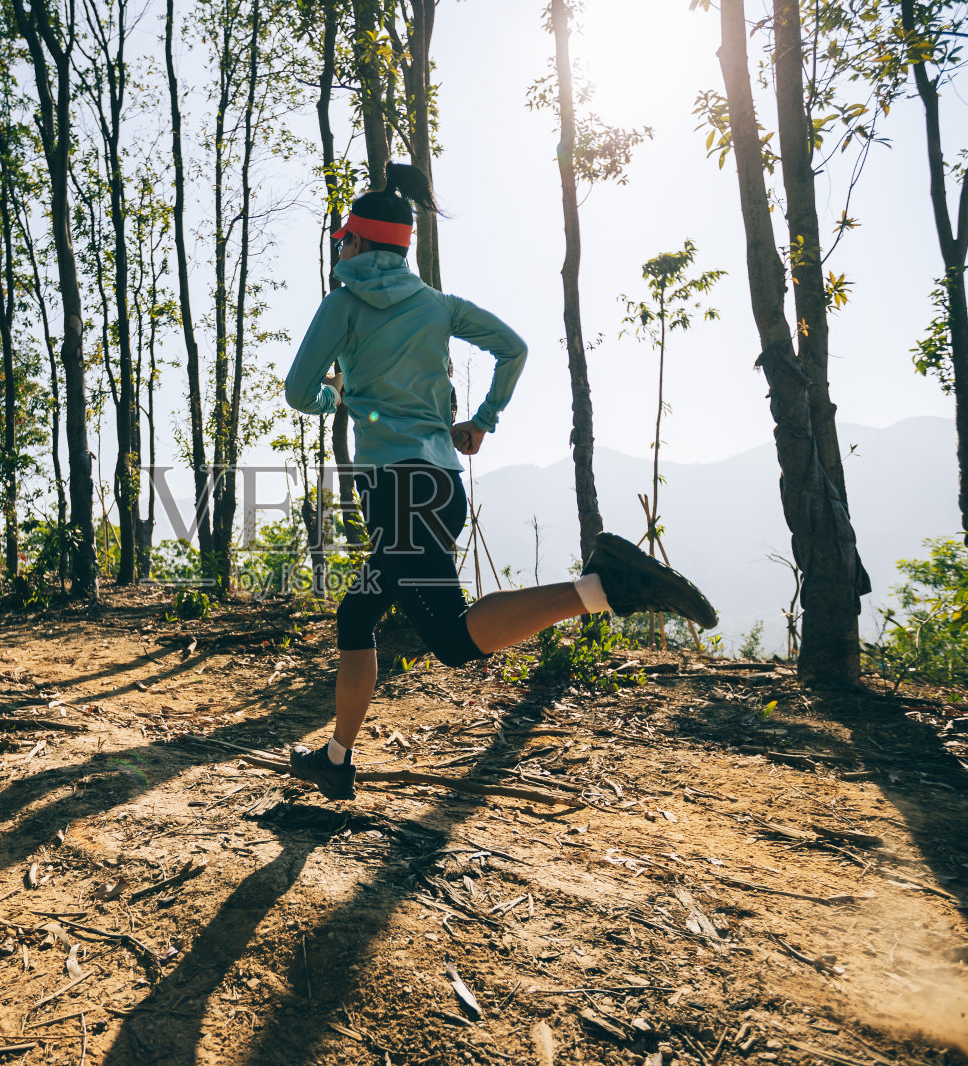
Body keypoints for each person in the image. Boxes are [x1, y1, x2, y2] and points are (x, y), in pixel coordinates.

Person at [282, 162, 718, 801]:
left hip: (396, 492)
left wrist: (337, 398)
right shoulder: (437, 305)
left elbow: (298, 390)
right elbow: (513, 347)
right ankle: (336, 758)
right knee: (357, 616)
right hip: (439, 484)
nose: (338, 247)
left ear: (358, 241)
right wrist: (481, 420)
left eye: (343, 238)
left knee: (454, 640)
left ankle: (604, 587)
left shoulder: (342, 304)